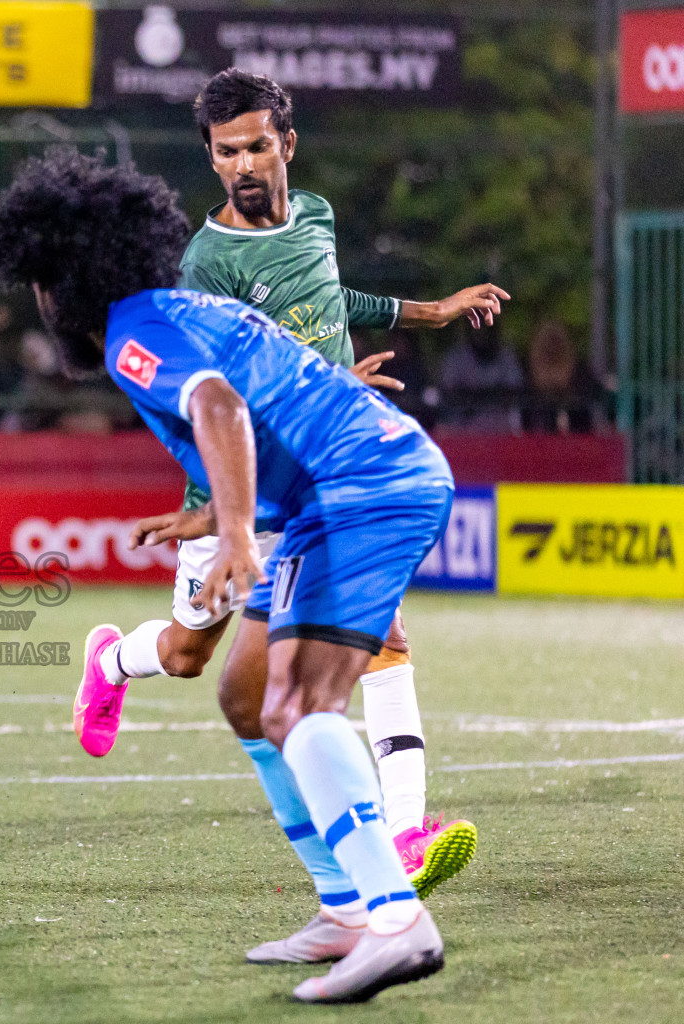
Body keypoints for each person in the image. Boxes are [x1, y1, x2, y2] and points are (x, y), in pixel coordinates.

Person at [0, 148, 454, 1002]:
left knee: (297, 704)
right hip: (340, 488)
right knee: (245, 695)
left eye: (41, 284)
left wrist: (236, 528)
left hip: (361, 489)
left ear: (65, 281)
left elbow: (219, 404)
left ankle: (396, 919)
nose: (42, 302)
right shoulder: (181, 306)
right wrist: (223, 515)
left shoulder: (134, 332)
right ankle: (346, 908)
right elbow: (271, 399)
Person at [78, 71, 495, 906]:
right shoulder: (205, 262)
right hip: (239, 489)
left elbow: (328, 300)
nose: (242, 163)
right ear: (210, 158)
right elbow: (216, 394)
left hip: (324, 475)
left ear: (287, 145)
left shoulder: (317, 216)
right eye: (226, 151)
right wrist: (218, 513)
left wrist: (423, 318)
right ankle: (115, 661)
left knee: (383, 636)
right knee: (191, 653)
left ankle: (405, 829)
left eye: (256, 145)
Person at [438, 321, 524, 430]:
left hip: (501, 430)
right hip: (463, 432)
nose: (482, 334)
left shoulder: (507, 356)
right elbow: (449, 394)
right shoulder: (456, 358)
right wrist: (490, 393)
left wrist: (476, 395)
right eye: (478, 329)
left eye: (486, 329)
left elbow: (513, 392)